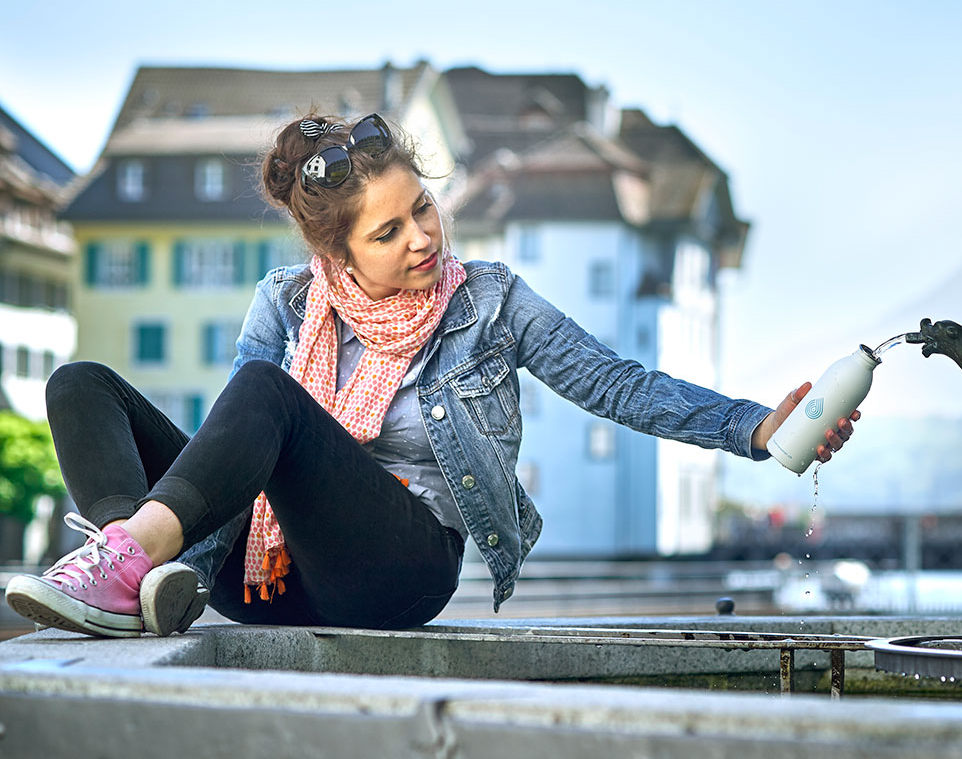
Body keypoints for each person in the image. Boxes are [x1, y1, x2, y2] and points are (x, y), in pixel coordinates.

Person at [5, 113, 858, 637]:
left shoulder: (488, 305)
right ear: (335, 251)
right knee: (79, 383)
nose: (422, 237)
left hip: (396, 570)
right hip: (262, 577)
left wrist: (756, 428)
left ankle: (118, 565)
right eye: (387, 232)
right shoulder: (287, 300)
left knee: (269, 396)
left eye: (422, 208)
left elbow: (617, 383)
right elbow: (234, 447)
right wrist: (198, 542)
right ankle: (132, 578)